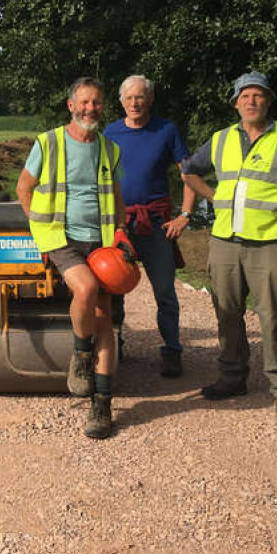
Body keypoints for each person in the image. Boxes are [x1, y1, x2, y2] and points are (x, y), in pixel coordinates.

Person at [182, 71, 277, 420]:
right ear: (236, 102)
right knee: (227, 312)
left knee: (275, 316)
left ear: (269, 100)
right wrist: (215, 197)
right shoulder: (221, 138)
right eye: (245, 96)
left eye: (258, 95)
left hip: (269, 241)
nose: (251, 101)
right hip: (225, 239)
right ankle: (232, 377)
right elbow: (188, 170)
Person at [17, 76, 134, 439]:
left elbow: (116, 199)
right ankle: (81, 355)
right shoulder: (48, 143)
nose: (90, 109)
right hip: (61, 238)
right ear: (71, 105)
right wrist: (40, 232)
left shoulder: (109, 149)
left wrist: (120, 234)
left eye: (97, 103)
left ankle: (102, 406)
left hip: (101, 243)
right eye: (84, 102)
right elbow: (24, 188)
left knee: (104, 321)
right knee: (84, 290)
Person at [104, 75, 193, 377]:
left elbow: (188, 174)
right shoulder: (110, 132)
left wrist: (186, 215)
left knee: (165, 291)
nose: (135, 103)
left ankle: (172, 350)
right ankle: (114, 344)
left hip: (156, 224)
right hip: (119, 223)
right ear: (121, 102)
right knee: (112, 287)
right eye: (129, 98)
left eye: (140, 97)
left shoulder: (166, 130)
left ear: (150, 99)